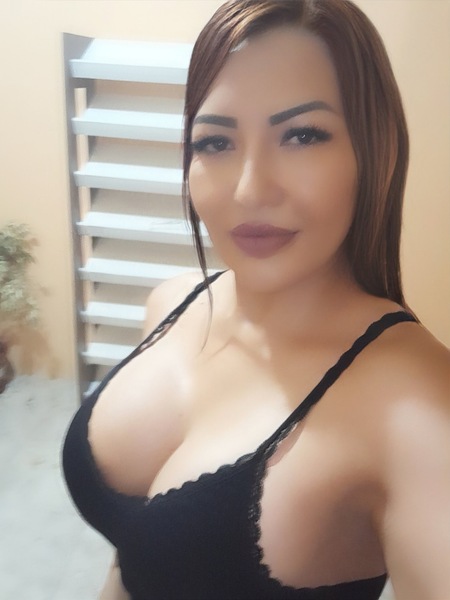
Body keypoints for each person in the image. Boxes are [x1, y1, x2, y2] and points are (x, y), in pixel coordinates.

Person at [62, 1, 450, 599]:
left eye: (302, 135)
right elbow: (136, 555)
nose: (249, 189)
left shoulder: (417, 409)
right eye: (216, 142)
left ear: (379, 150)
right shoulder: (171, 303)